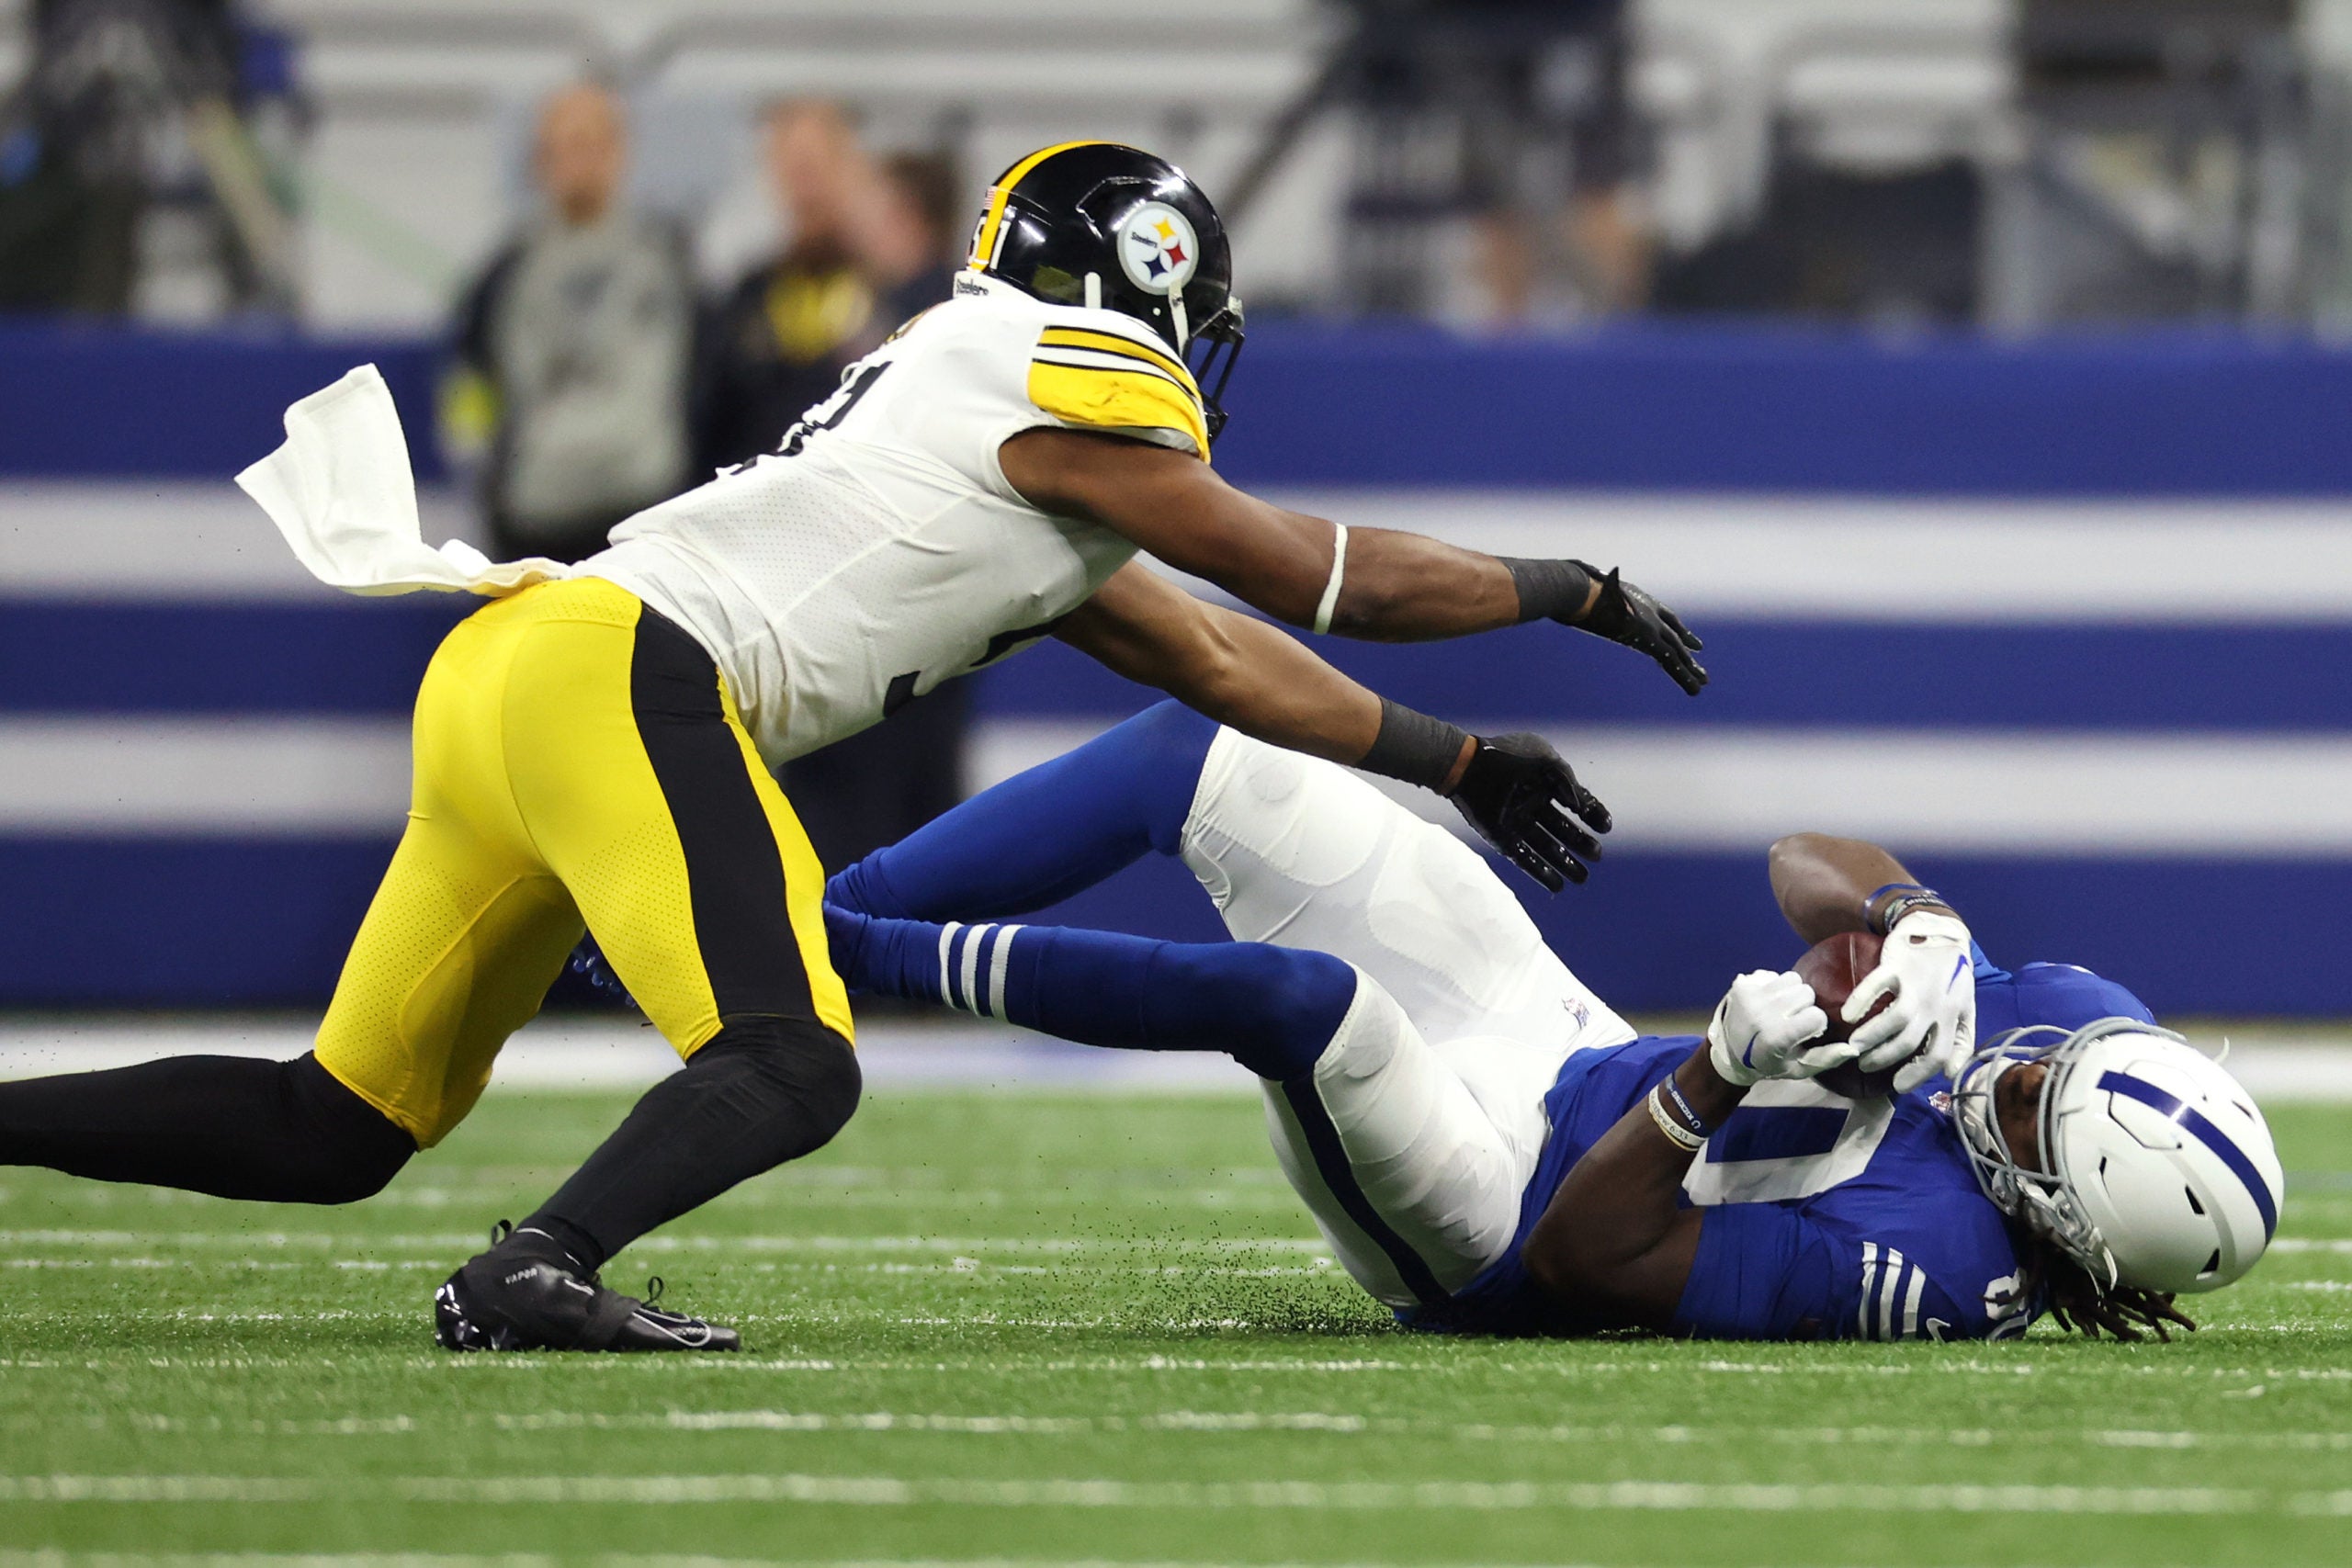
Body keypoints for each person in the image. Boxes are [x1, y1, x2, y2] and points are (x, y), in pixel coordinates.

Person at [0, 141, 1703, 1355]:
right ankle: (538, 1263)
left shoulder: (994, 436)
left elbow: (1220, 656)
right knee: (790, 1057)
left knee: (337, 1123)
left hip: (516, 666)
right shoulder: (1067, 386)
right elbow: (1298, 571)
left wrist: (1456, 759)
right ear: (1152, 285)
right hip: (619, 668)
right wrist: (1567, 585)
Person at [823, 702, 2282, 1341]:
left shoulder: (1936, 1265)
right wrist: (1919, 913)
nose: (2017, 1074)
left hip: (1495, 1206)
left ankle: (846, 958)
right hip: (1561, 1035)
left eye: (2032, 1117)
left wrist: (1722, 1069)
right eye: (2057, 1071)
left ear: (2057, 1217)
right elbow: (1799, 859)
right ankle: (799, 913)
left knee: (1307, 1004)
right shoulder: (2085, 1035)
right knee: (1194, 761)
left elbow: (1595, 1255)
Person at [775, 149, 973, 879]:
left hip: (896, 589)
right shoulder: (890, 308)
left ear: (904, 217)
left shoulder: (927, 320)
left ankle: (871, 949)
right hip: (912, 591)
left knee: (876, 782)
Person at [445, 82, 697, 565]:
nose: (577, 162)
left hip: (646, 515)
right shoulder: (506, 274)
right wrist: (490, 488)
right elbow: (469, 383)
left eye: (591, 144)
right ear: (539, 162)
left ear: (620, 152)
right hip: (538, 517)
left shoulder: (670, 261)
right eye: (561, 147)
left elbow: (707, 383)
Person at [694, 99, 887, 476]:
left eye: (819, 164)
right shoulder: (744, 303)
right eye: (796, 168)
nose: (808, 185)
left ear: (851, 168)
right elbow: (712, 432)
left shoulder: (897, 295)